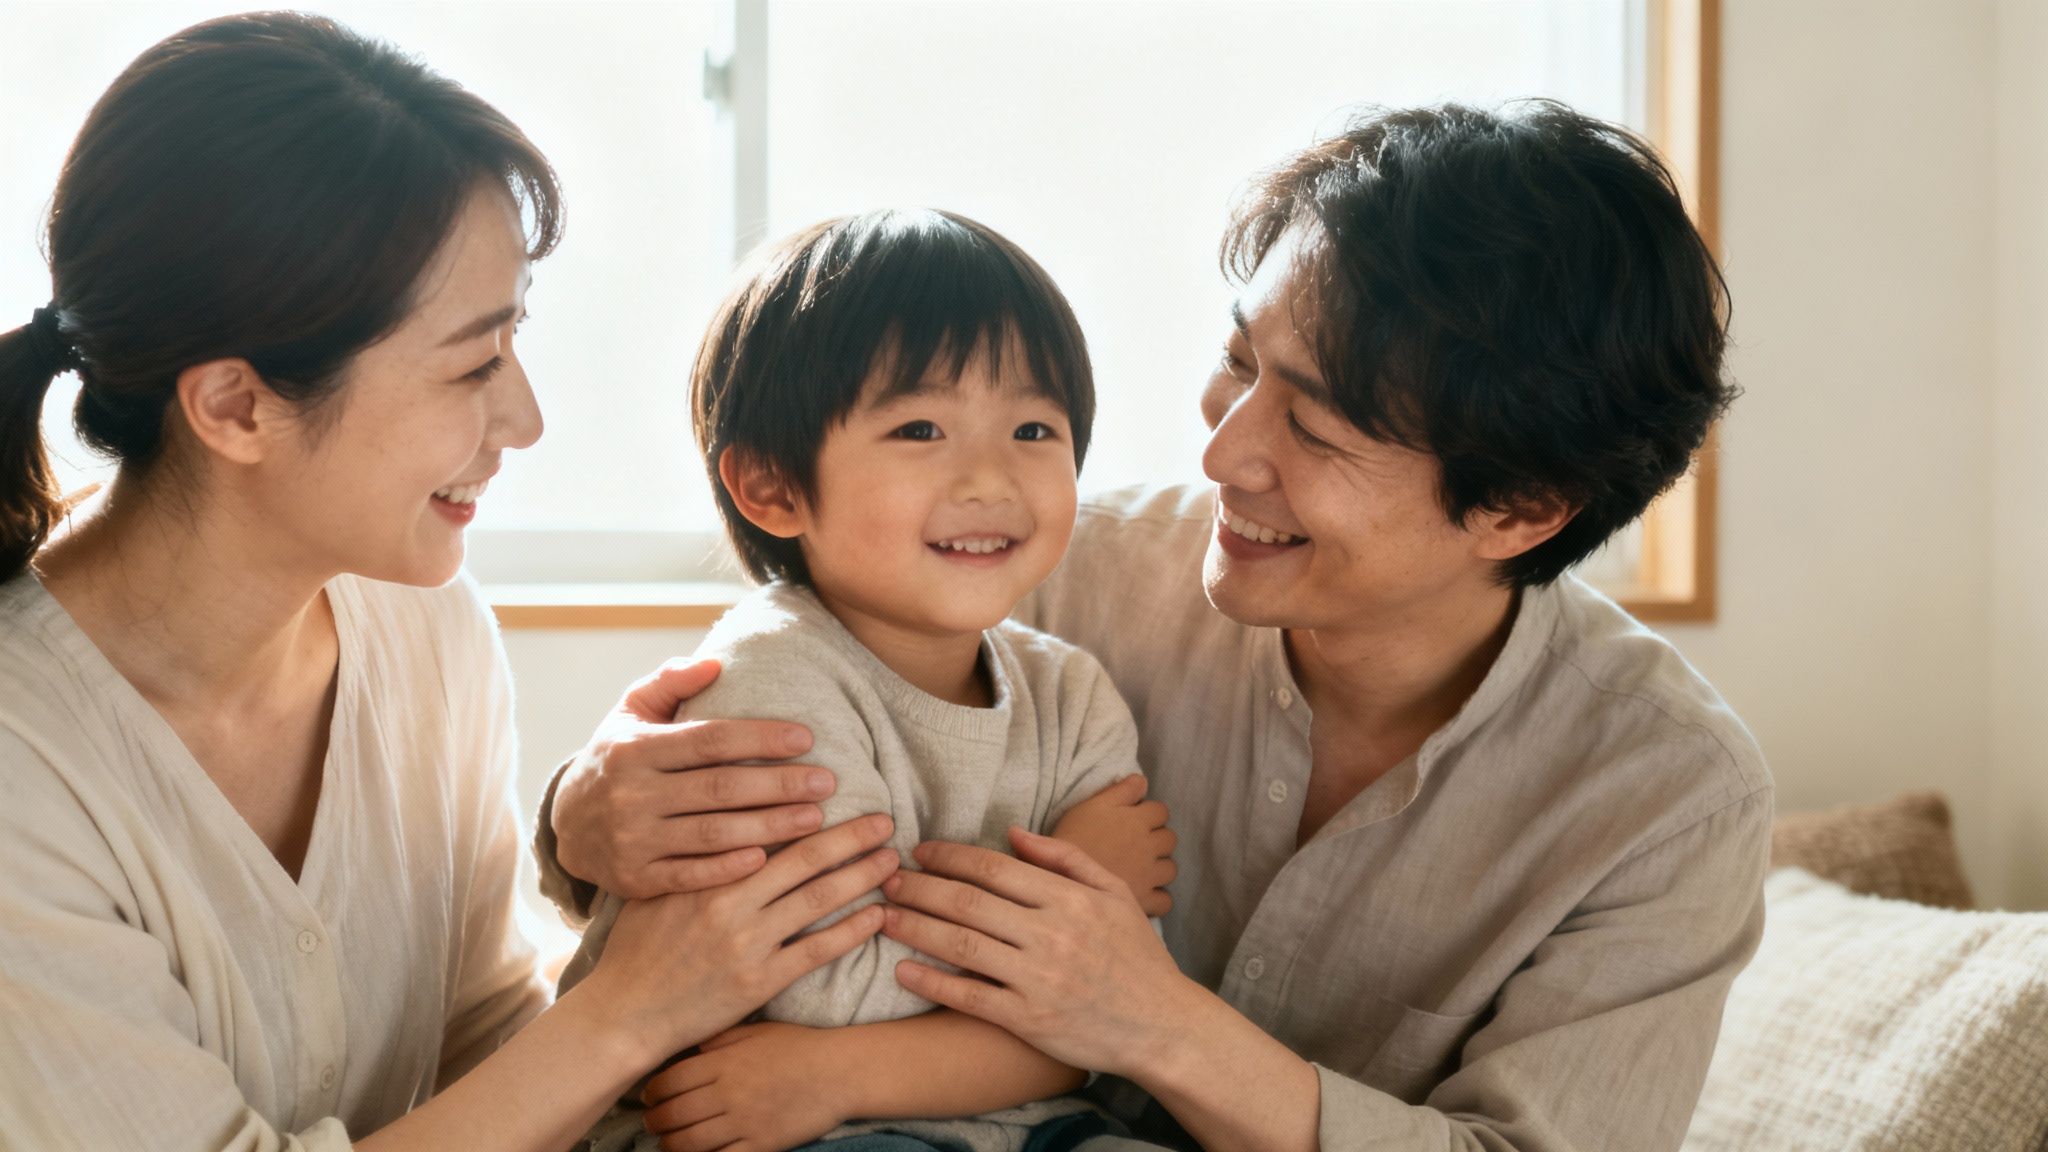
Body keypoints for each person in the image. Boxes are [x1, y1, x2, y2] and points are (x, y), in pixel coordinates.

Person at [545, 101, 1773, 1152]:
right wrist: (582, 819)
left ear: (1518, 508)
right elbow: (743, 816)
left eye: (1314, 425)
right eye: (1238, 363)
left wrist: (1147, 1020)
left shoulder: (1665, 797)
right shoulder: (1048, 566)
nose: (1223, 453)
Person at [0, 15, 903, 1151]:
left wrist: (594, 866)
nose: (524, 418)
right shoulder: (25, 776)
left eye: (513, 342)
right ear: (235, 406)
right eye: (475, 362)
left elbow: (482, 1036)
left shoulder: (420, 620)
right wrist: (636, 1006)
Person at [553, 209, 1176, 1152]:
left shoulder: (1072, 692)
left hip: (1016, 1120)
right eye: (921, 428)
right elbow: (823, 998)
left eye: (1033, 428)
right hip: (768, 1124)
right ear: (773, 487)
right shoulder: (773, 682)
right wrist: (1075, 917)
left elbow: (1118, 1013)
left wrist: (1092, 978)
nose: (991, 478)